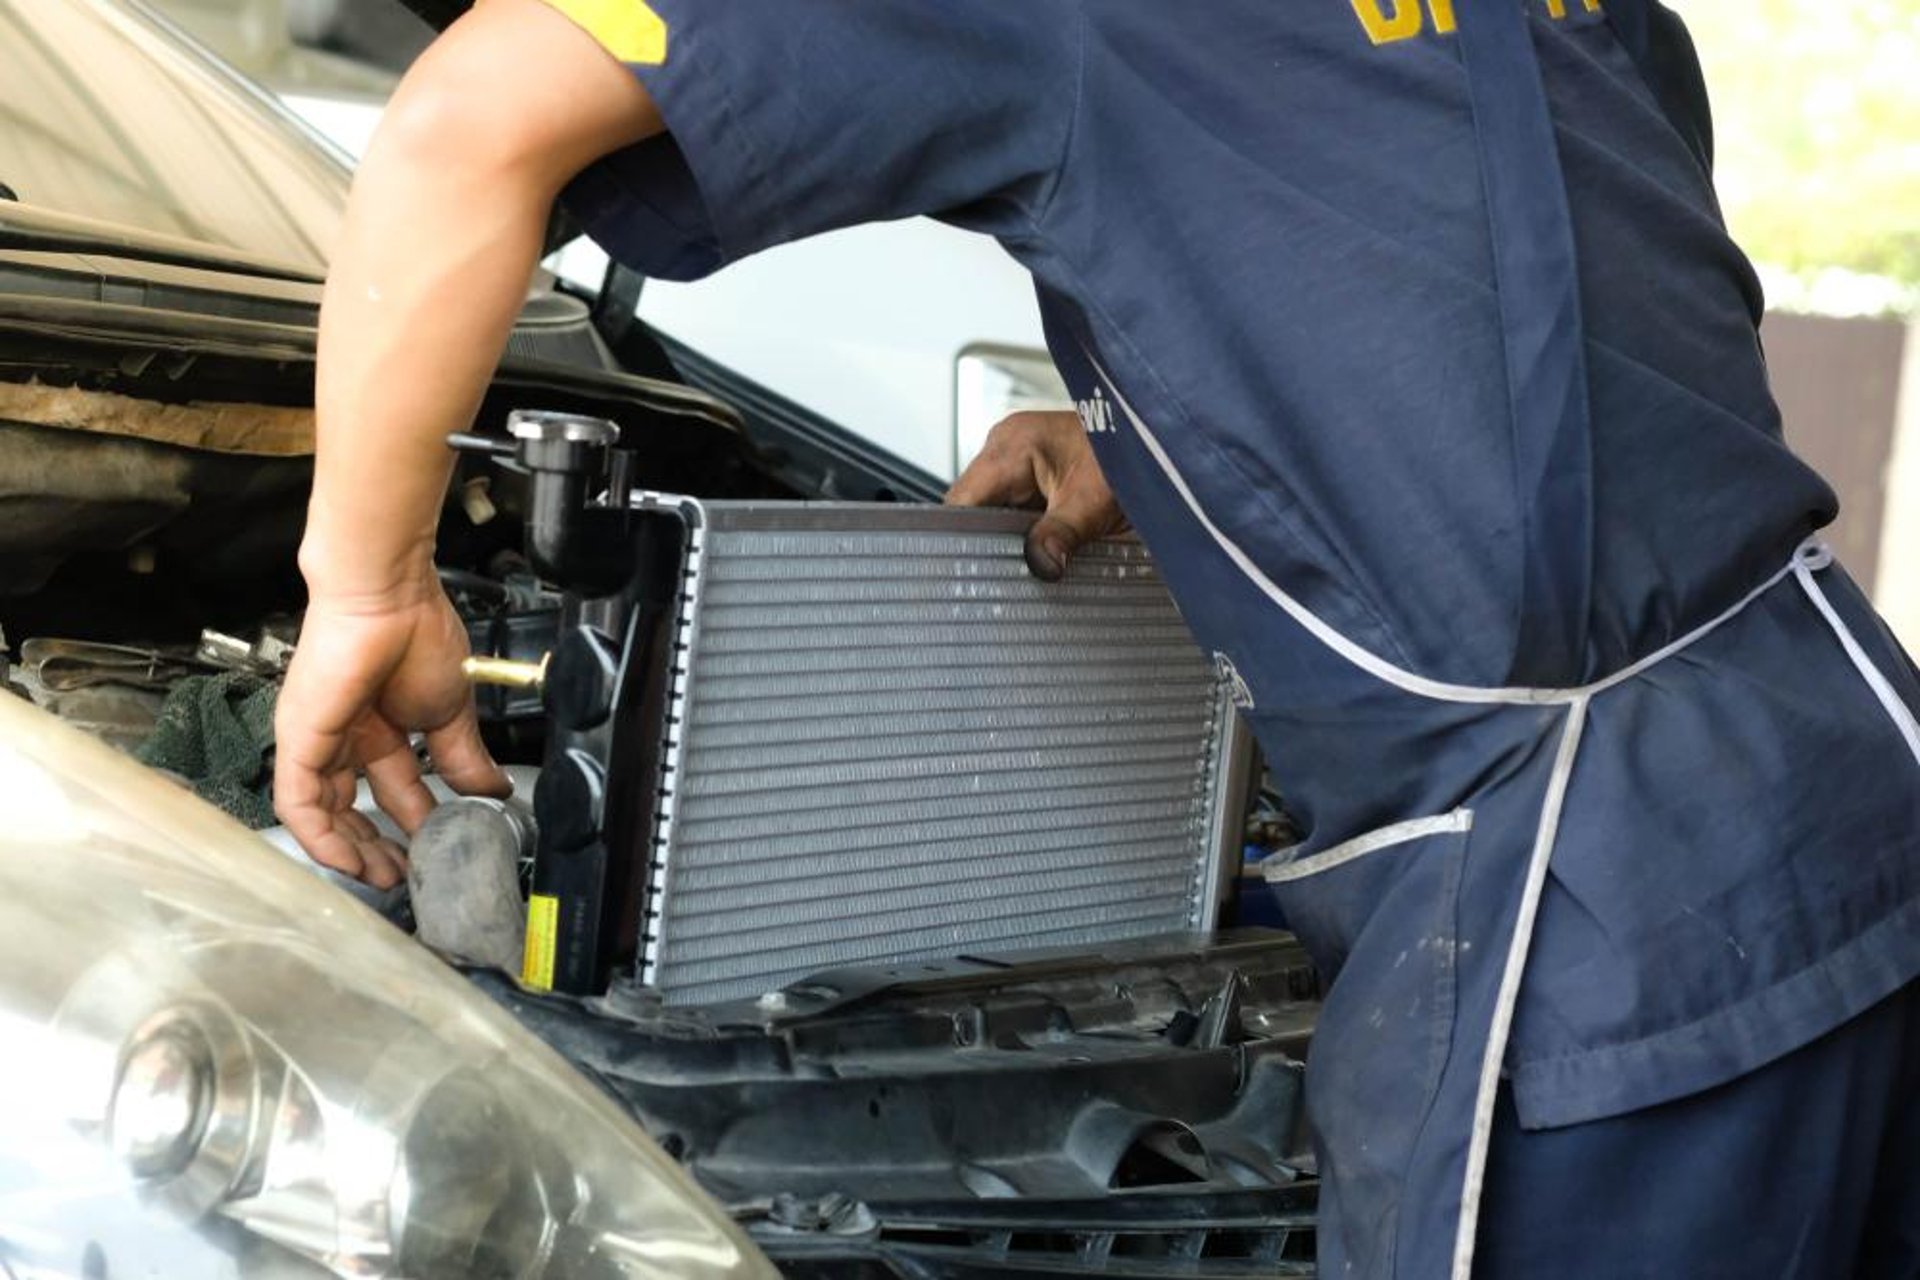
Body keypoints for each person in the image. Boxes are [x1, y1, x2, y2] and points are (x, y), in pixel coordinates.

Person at [272, 0, 1919, 1274]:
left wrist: (365, 587)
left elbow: (468, 120)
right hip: (1848, 792)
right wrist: (1184, 436)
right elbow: (1574, 296)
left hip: (1596, 934)